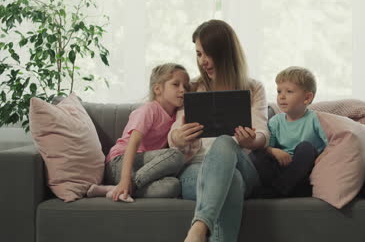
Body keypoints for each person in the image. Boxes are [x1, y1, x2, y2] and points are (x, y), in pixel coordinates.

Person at [168, 19, 269, 242]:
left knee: (225, 141)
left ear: (225, 53)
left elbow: (262, 134)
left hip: (242, 166)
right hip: (197, 169)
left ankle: (198, 227)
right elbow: (174, 133)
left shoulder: (253, 88)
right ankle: (201, 228)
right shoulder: (193, 87)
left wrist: (251, 141)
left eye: (207, 54)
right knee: (229, 182)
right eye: (198, 54)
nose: (202, 61)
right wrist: (178, 136)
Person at [86, 63, 190, 202]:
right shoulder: (149, 110)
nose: (183, 89)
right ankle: (124, 185)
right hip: (120, 163)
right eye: (176, 84)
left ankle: (116, 189)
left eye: (186, 86)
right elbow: (132, 144)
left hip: (142, 168)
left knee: (173, 186)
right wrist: (125, 179)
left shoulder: (177, 116)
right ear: (158, 89)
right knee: (176, 155)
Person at [251, 66, 328, 198]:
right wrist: (274, 151)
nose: (281, 96)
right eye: (279, 91)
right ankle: (284, 189)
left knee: (306, 147)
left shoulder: (315, 119)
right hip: (280, 170)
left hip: (303, 173)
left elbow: (330, 146)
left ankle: (278, 191)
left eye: (289, 91)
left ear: (307, 98)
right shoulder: (275, 122)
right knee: (258, 152)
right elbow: (266, 147)